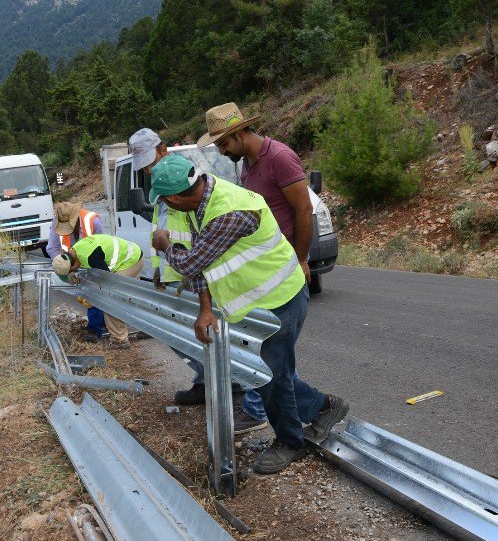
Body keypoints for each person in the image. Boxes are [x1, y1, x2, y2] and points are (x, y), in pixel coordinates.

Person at [149, 154, 348, 474]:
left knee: (269, 374)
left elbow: (189, 262)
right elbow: (202, 262)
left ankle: (290, 442)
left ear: (172, 198)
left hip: (282, 297)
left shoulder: (230, 210)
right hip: (258, 305)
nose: (164, 206)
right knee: (273, 371)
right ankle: (324, 407)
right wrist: (204, 310)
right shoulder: (196, 205)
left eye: (163, 201)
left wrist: (164, 245)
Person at [198, 102, 314, 432]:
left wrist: (302, 259)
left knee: (272, 362)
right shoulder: (247, 165)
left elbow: (304, 210)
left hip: (286, 270)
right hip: (267, 274)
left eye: (223, 144)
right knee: (274, 359)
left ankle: (297, 417)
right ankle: (315, 410)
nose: (221, 151)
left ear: (238, 133)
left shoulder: (279, 157)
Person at [130, 128, 234, 406]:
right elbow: (163, 229)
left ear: (163, 150)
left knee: (201, 332)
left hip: (193, 272)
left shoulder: (185, 182)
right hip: (175, 273)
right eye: (145, 168)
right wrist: (159, 271)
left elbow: (199, 242)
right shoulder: (162, 188)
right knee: (180, 336)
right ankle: (204, 381)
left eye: (151, 163)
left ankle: (230, 387)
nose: (149, 171)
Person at [52, 234, 144, 349]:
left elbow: (106, 281)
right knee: (131, 298)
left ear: (72, 267)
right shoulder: (75, 249)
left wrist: (91, 295)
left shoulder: (91, 256)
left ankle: (119, 340)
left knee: (110, 299)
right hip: (132, 253)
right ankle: (150, 328)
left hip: (130, 260)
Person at [47, 202, 107, 343]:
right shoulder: (56, 223)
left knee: (94, 292)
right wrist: (64, 263)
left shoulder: (93, 222)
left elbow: (102, 246)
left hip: (94, 262)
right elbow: (52, 248)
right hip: (72, 264)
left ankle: (94, 329)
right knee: (85, 296)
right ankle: (101, 321)